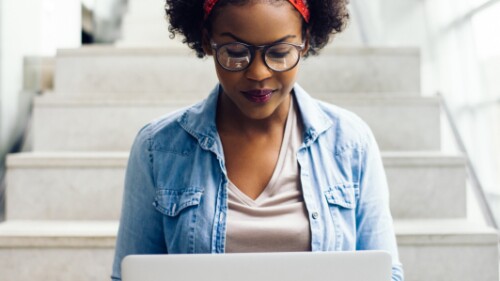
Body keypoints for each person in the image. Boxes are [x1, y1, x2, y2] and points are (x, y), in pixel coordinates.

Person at [111, 0, 404, 280]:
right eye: (236, 52)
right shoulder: (158, 148)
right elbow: (132, 275)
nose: (259, 73)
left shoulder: (350, 143)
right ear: (206, 41)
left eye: (279, 53)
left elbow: (386, 273)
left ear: (305, 41)